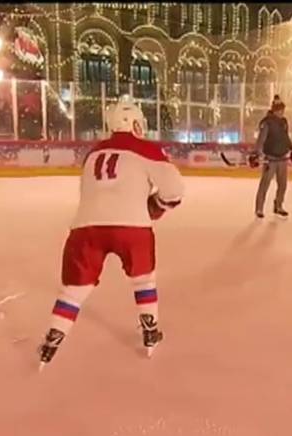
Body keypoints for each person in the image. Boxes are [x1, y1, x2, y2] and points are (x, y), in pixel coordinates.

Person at [36, 95, 185, 369]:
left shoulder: (93, 152)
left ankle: (53, 338)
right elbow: (175, 190)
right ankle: (150, 330)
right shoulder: (147, 150)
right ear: (136, 123)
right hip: (132, 226)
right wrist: (155, 207)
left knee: (72, 292)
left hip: (85, 228)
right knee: (143, 280)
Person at [251, 98, 292, 218]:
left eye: (282, 110)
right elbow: (261, 140)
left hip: (282, 158)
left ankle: (278, 205)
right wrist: (256, 154)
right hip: (271, 159)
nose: (281, 112)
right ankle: (259, 208)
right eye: (279, 110)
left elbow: (285, 137)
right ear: (273, 111)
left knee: (282, 184)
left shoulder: (283, 122)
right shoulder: (267, 123)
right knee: (265, 184)